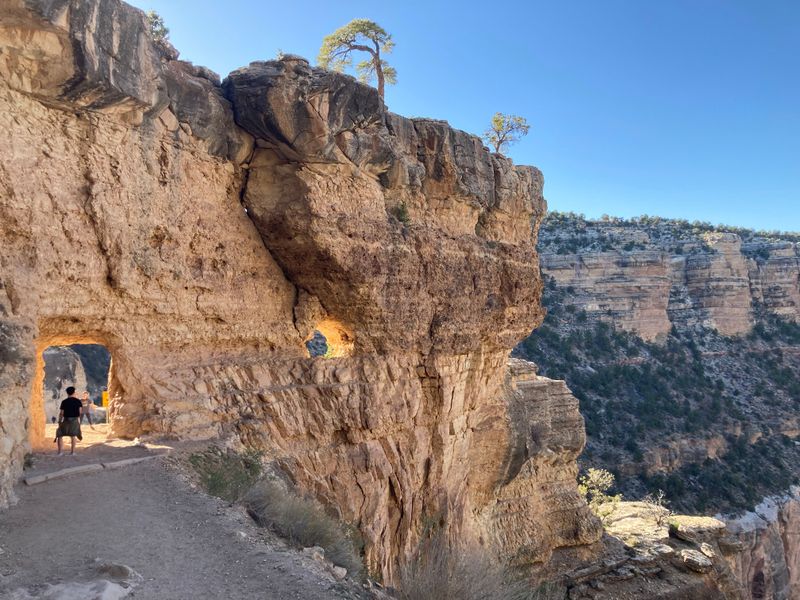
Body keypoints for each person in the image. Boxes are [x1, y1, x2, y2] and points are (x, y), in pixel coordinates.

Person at [56, 386, 83, 456]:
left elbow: (61, 413)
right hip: (74, 420)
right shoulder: (78, 401)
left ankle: (60, 452)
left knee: (59, 434)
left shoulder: (64, 402)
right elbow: (80, 412)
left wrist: (59, 421)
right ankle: (73, 452)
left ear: (67, 393)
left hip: (66, 420)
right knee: (73, 436)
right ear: (74, 392)